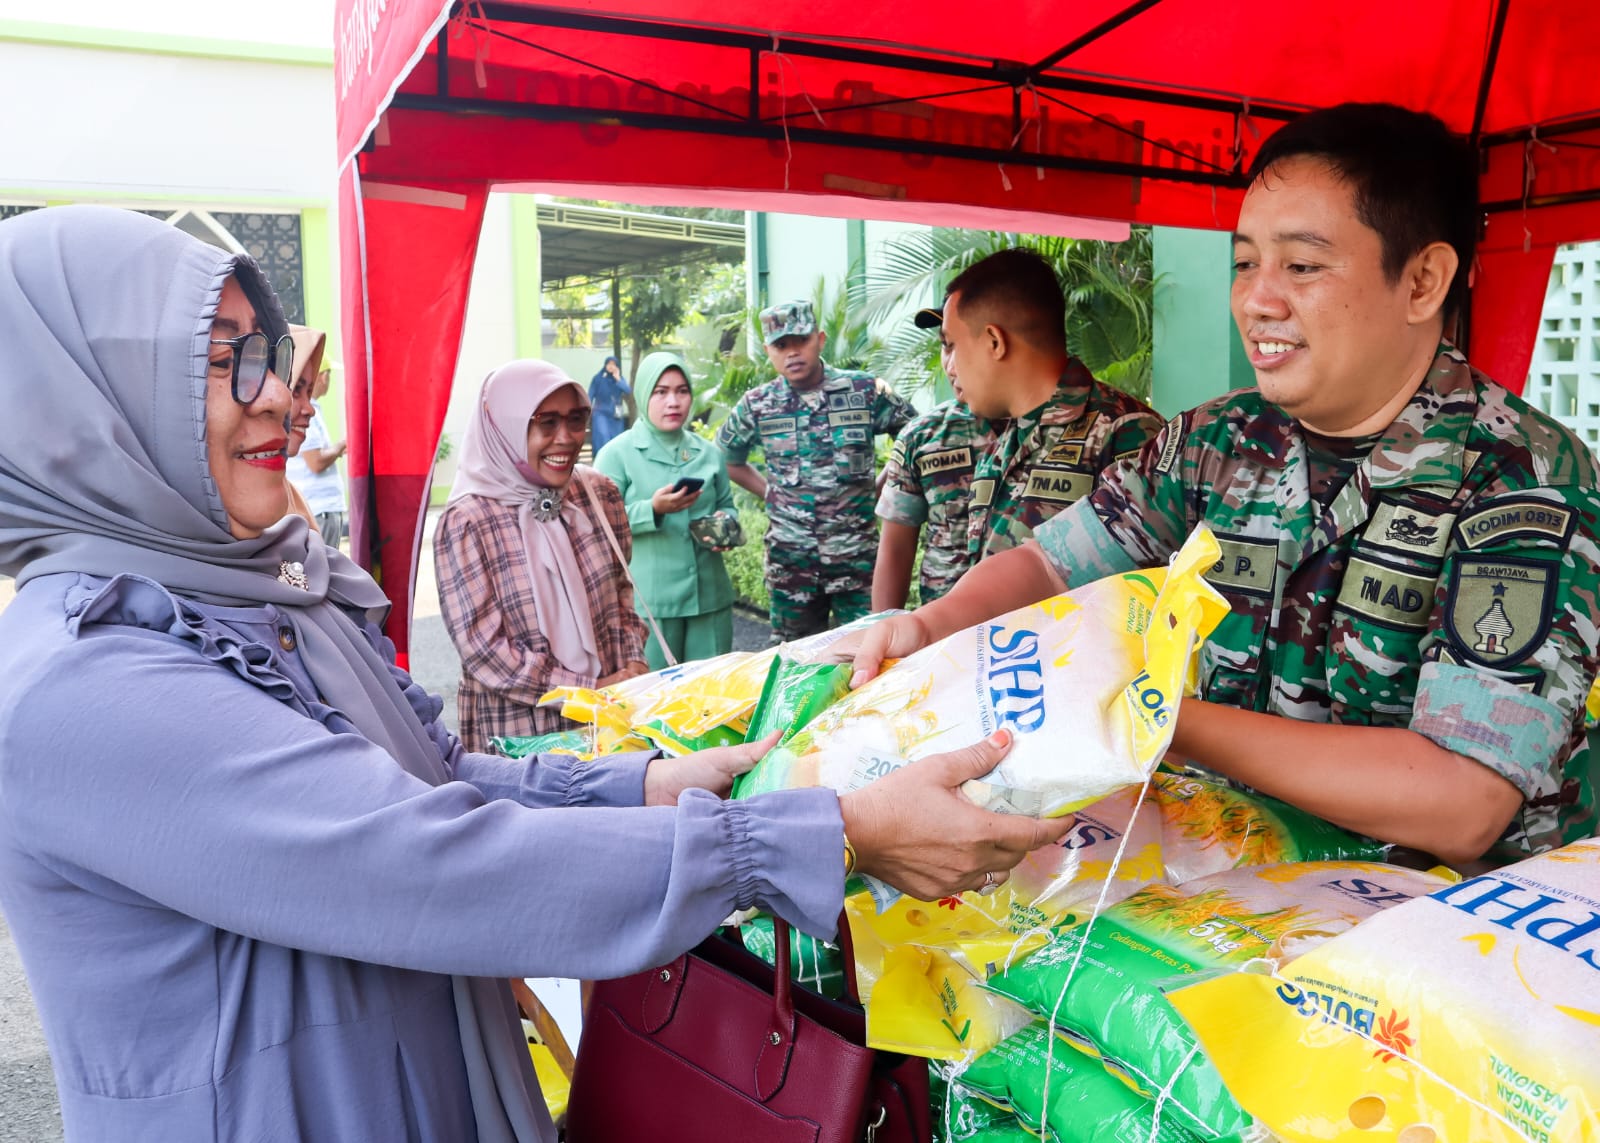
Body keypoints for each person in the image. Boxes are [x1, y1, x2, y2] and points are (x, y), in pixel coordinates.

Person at [0, 205, 1074, 1142]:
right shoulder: (86, 682)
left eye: (273, 351)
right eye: (220, 358)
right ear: (85, 406)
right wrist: (821, 835)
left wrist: (645, 784)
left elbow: (432, 775)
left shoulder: (254, 590)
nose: (278, 393)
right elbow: (420, 859)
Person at [846, 103, 1600, 868]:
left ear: (1422, 281)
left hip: (1442, 935)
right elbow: (1051, 564)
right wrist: (933, 625)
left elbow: (1464, 796)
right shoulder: (1219, 439)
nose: (1256, 300)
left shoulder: (1522, 477)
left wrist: (1156, 716)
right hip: (1238, 886)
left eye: (1301, 266)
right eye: (1245, 263)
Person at [434, 362, 649, 751]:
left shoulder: (599, 494)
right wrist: (587, 691)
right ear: (505, 430)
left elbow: (621, 597)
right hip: (521, 733)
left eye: (577, 419)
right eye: (546, 423)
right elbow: (484, 650)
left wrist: (633, 665)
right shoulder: (468, 522)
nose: (566, 438)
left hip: (612, 718)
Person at [717, 299, 915, 640]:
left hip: (858, 560)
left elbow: (914, 436)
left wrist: (882, 487)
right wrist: (771, 493)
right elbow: (727, 457)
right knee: (795, 663)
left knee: (873, 655)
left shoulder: (864, 390)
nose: (792, 352)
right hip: (792, 564)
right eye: (781, 345)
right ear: (769, 351)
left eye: (801, 341)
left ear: (820, 339)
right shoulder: (759, 403)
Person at [594, 351, 740, 668]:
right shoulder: (617, 455)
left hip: (709, 597)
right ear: (645, 393)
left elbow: (727, 505)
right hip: (651, 604)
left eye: (681, 391)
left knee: (712, 700)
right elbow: (598, 523)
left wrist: (726, 523)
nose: (673, 402)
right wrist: (653, 510)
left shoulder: (708, 454)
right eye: (661, 392)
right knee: (655, 701)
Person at [874, 306, 993, 609]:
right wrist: (884, 636)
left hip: (1046, 637)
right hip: (941, 632)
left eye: (961, 346)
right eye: (945, 345)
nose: (951, 366)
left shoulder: (1080, 428)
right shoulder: (922, 437)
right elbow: (895, 552)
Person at [285, 337, 348, 548]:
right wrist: (341, 447)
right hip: (318, 509)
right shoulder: (304, 412)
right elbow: (315, 462)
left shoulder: (313, 410)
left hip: (323, 507)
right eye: (297, 389)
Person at [588, 354, 631, 454]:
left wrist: (618, 379)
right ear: (605, 365)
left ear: (617, 366)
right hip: (600, 412)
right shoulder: (597, 378)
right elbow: (590, 395)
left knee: (616, 439)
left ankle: (614, 461)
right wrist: (587, 409)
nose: (611, 366)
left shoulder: (619, 379)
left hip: (616, 414)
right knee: (603, 436)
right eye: (609, 364)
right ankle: (601, 459)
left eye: (613, 364)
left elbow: (628, 390)